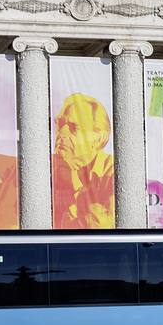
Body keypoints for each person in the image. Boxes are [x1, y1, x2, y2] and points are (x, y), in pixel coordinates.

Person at [52, 93, 115, 229]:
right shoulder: (50, 167)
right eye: (60, 124)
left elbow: (102, 229)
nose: (61, 134)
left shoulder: (114, 174)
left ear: (98, 137)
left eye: (74, 128)